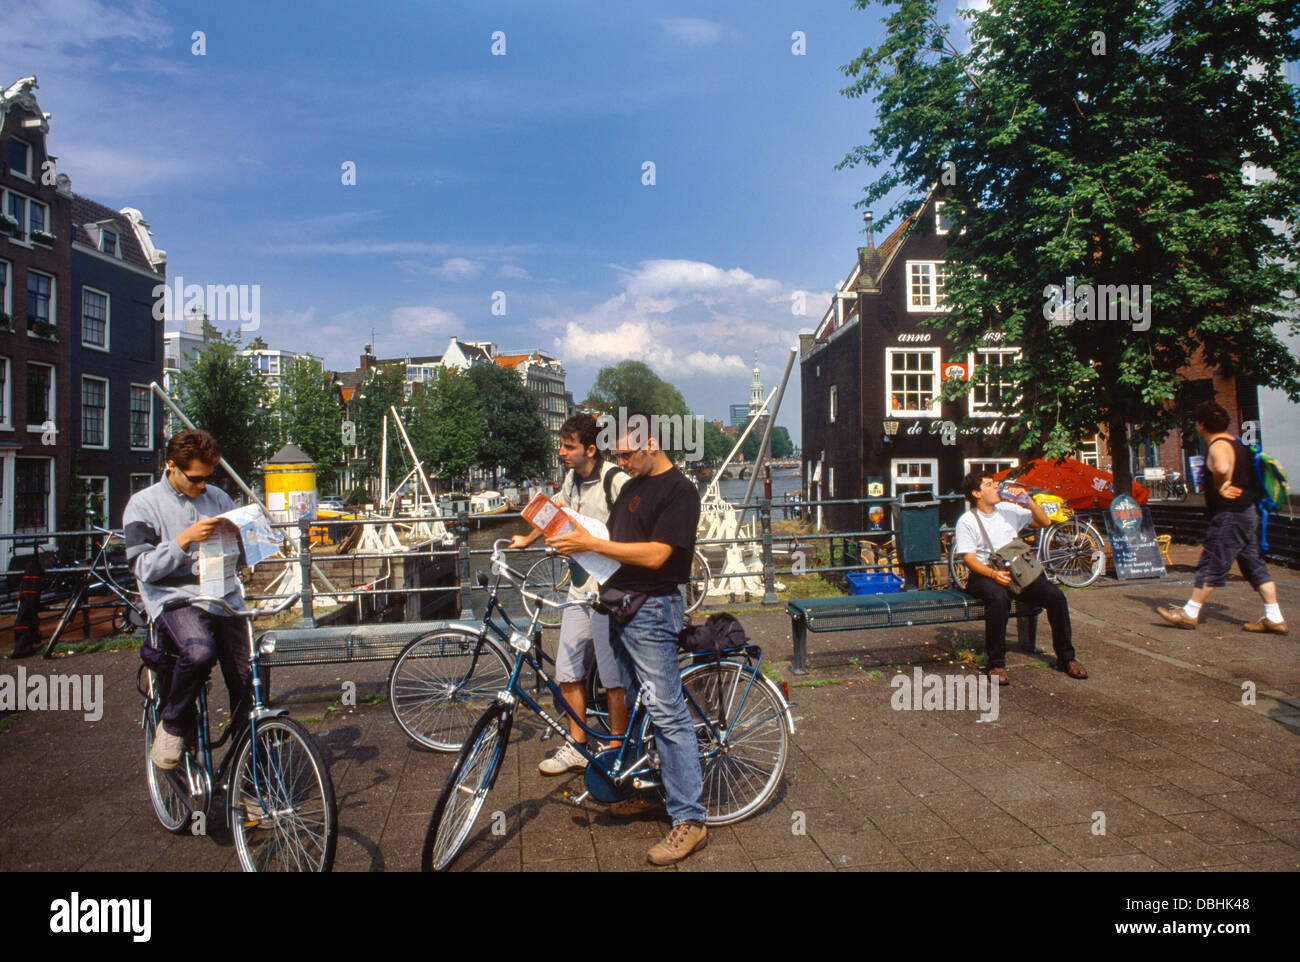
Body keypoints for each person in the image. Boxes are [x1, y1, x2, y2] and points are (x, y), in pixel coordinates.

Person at [548, 411, 706, 866]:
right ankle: (652, 791)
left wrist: (594, 546)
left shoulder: (680, 491)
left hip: (654, 608)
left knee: (666, 709)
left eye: (627, 454)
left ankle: (690, 820)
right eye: (617, 454)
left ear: (651, 443)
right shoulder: (633, 488)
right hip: (620, 603)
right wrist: (577, 539)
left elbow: (658, 555)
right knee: (636, 701)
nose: (622, 462)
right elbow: (611, 537)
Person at [508, 413, 630, 773]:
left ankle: (615, 748)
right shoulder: (572, 478)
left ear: (590, 449)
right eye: (561, 445)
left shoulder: (616, 481)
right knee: (566, 671)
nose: (561, 452)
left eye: (568, 447)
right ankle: (578, 744)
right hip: (579, 589)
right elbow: (556, 509)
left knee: (613, 679)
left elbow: (635, 532)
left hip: (609, 593)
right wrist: (527, 539)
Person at [124, 429, 246, 770]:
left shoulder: (219, 499)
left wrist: (244, 540)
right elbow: (142, 567)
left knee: (250, 683)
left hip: (222, 595)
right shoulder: (143, 504)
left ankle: (252, 783)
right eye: (195, 479)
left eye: (208, 478)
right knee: (199, 651)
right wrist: (182, 541)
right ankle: (173, 723)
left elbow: (243, 559)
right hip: (174, 598)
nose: (203, 486)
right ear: (171, 466)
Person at [1157, 401, 1286, 632]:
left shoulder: (1217, 446)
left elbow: (1223, 468)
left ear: (1201, 425)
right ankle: (1274, 617)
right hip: (1247, 512)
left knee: (1213, 560)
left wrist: (1221, 485)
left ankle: (1190, 611)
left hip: (1230, 515)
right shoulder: (1236, 442)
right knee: (1252, 564)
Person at [954, 471, 1089, 684]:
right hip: (985, 573)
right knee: (999, 599)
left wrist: (1028, 501)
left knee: (1055, 597)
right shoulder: (967, 521)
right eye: (989, 485)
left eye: (995, 484)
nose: (995, 488)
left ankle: (1066, 658)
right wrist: (993, 574)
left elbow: (1044, 522)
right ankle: (996, 664)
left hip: (1016, 570)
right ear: (976, 493)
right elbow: (969, 559)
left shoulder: (1008, 509)